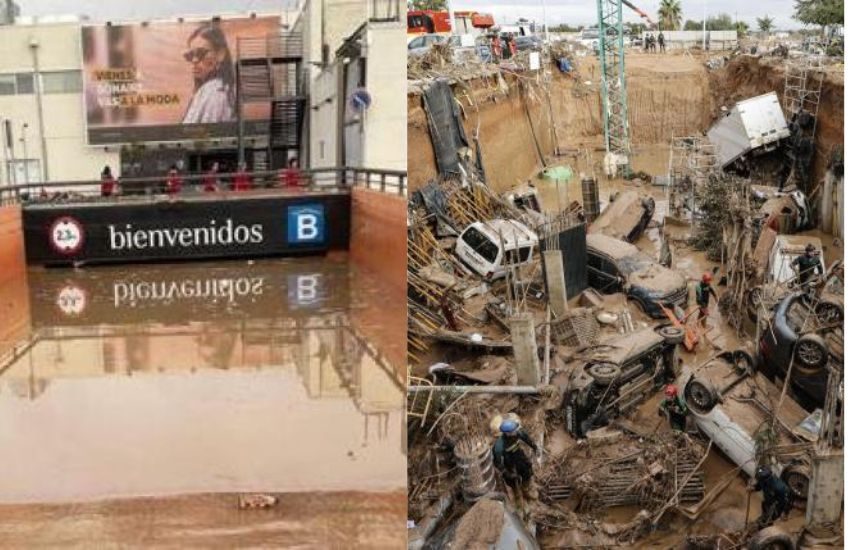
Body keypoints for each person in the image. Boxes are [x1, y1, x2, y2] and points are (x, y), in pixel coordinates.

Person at [182, 23, 236, 124]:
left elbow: (207, 131)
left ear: (220, 54)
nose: (194, 60)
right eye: (190, 55)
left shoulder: (215, 92)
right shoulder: (218, 89)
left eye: (200, 53)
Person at [492, 414, 538, 493]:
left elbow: (526, 438)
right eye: (514, 431)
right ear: (508, 433)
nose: (516, 431)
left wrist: (534, 447)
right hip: (508, 459)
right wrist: (505, 472)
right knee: (511, 478)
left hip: (518, 453)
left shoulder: (517, 433)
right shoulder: (499, 446)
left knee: (527, 468)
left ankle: (526, 487)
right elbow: (497, 462)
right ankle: (516, 490)